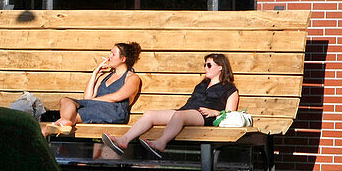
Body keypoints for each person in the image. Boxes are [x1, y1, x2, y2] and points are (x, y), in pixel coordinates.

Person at [102, 53, 239, 159]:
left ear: (220, 67)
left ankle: (161, 143)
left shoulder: (229, 89)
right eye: (204, 65)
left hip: (204, 116)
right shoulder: (202, 85)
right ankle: (124, 140)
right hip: (186, 112)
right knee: (150, 114)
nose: (205, 68)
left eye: (209, 65)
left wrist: (215, 112)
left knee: (179, 115)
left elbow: (230, 115)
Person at [52, 42, 142, 127]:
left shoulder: (132, 78)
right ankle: (65, 120)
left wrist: (93, 100)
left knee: (73, 115)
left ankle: (60, 124)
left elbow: (117, 97)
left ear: (123, 59)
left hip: (114, 112)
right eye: (110, 53)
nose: (109, 56)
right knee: (65, 100)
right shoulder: (105, 76)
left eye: (113, 54)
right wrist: (95, 73)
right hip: (95, 108)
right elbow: (87, 98)